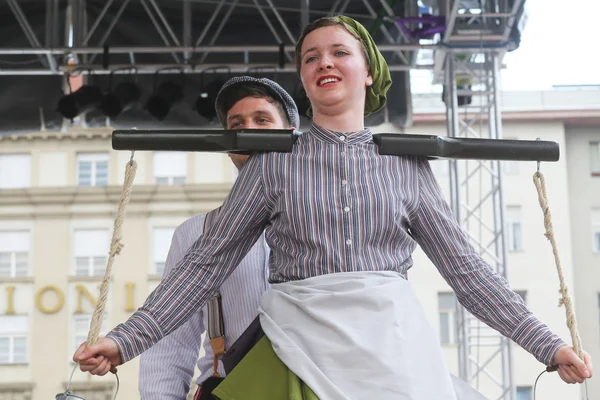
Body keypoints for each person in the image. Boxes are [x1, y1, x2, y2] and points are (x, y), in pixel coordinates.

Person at [74, 15, 593, 399]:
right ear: (304, 79)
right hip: (298, 344)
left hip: (393, 348)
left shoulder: (406, 166)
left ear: (368, 72)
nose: (324, 61)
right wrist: (125, 340)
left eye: (339, 52)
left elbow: (468, 273)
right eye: (310, 56)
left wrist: (548, 346)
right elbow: (204, 264)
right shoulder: (273, 165)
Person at [137, 76, 299, 400]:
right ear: (228, 147)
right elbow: (170, 342)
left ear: (291, 135)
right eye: (237, 123)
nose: (248, 130)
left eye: (262, 120)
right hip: (230, 389)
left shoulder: (331, 219)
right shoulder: (196, 233)